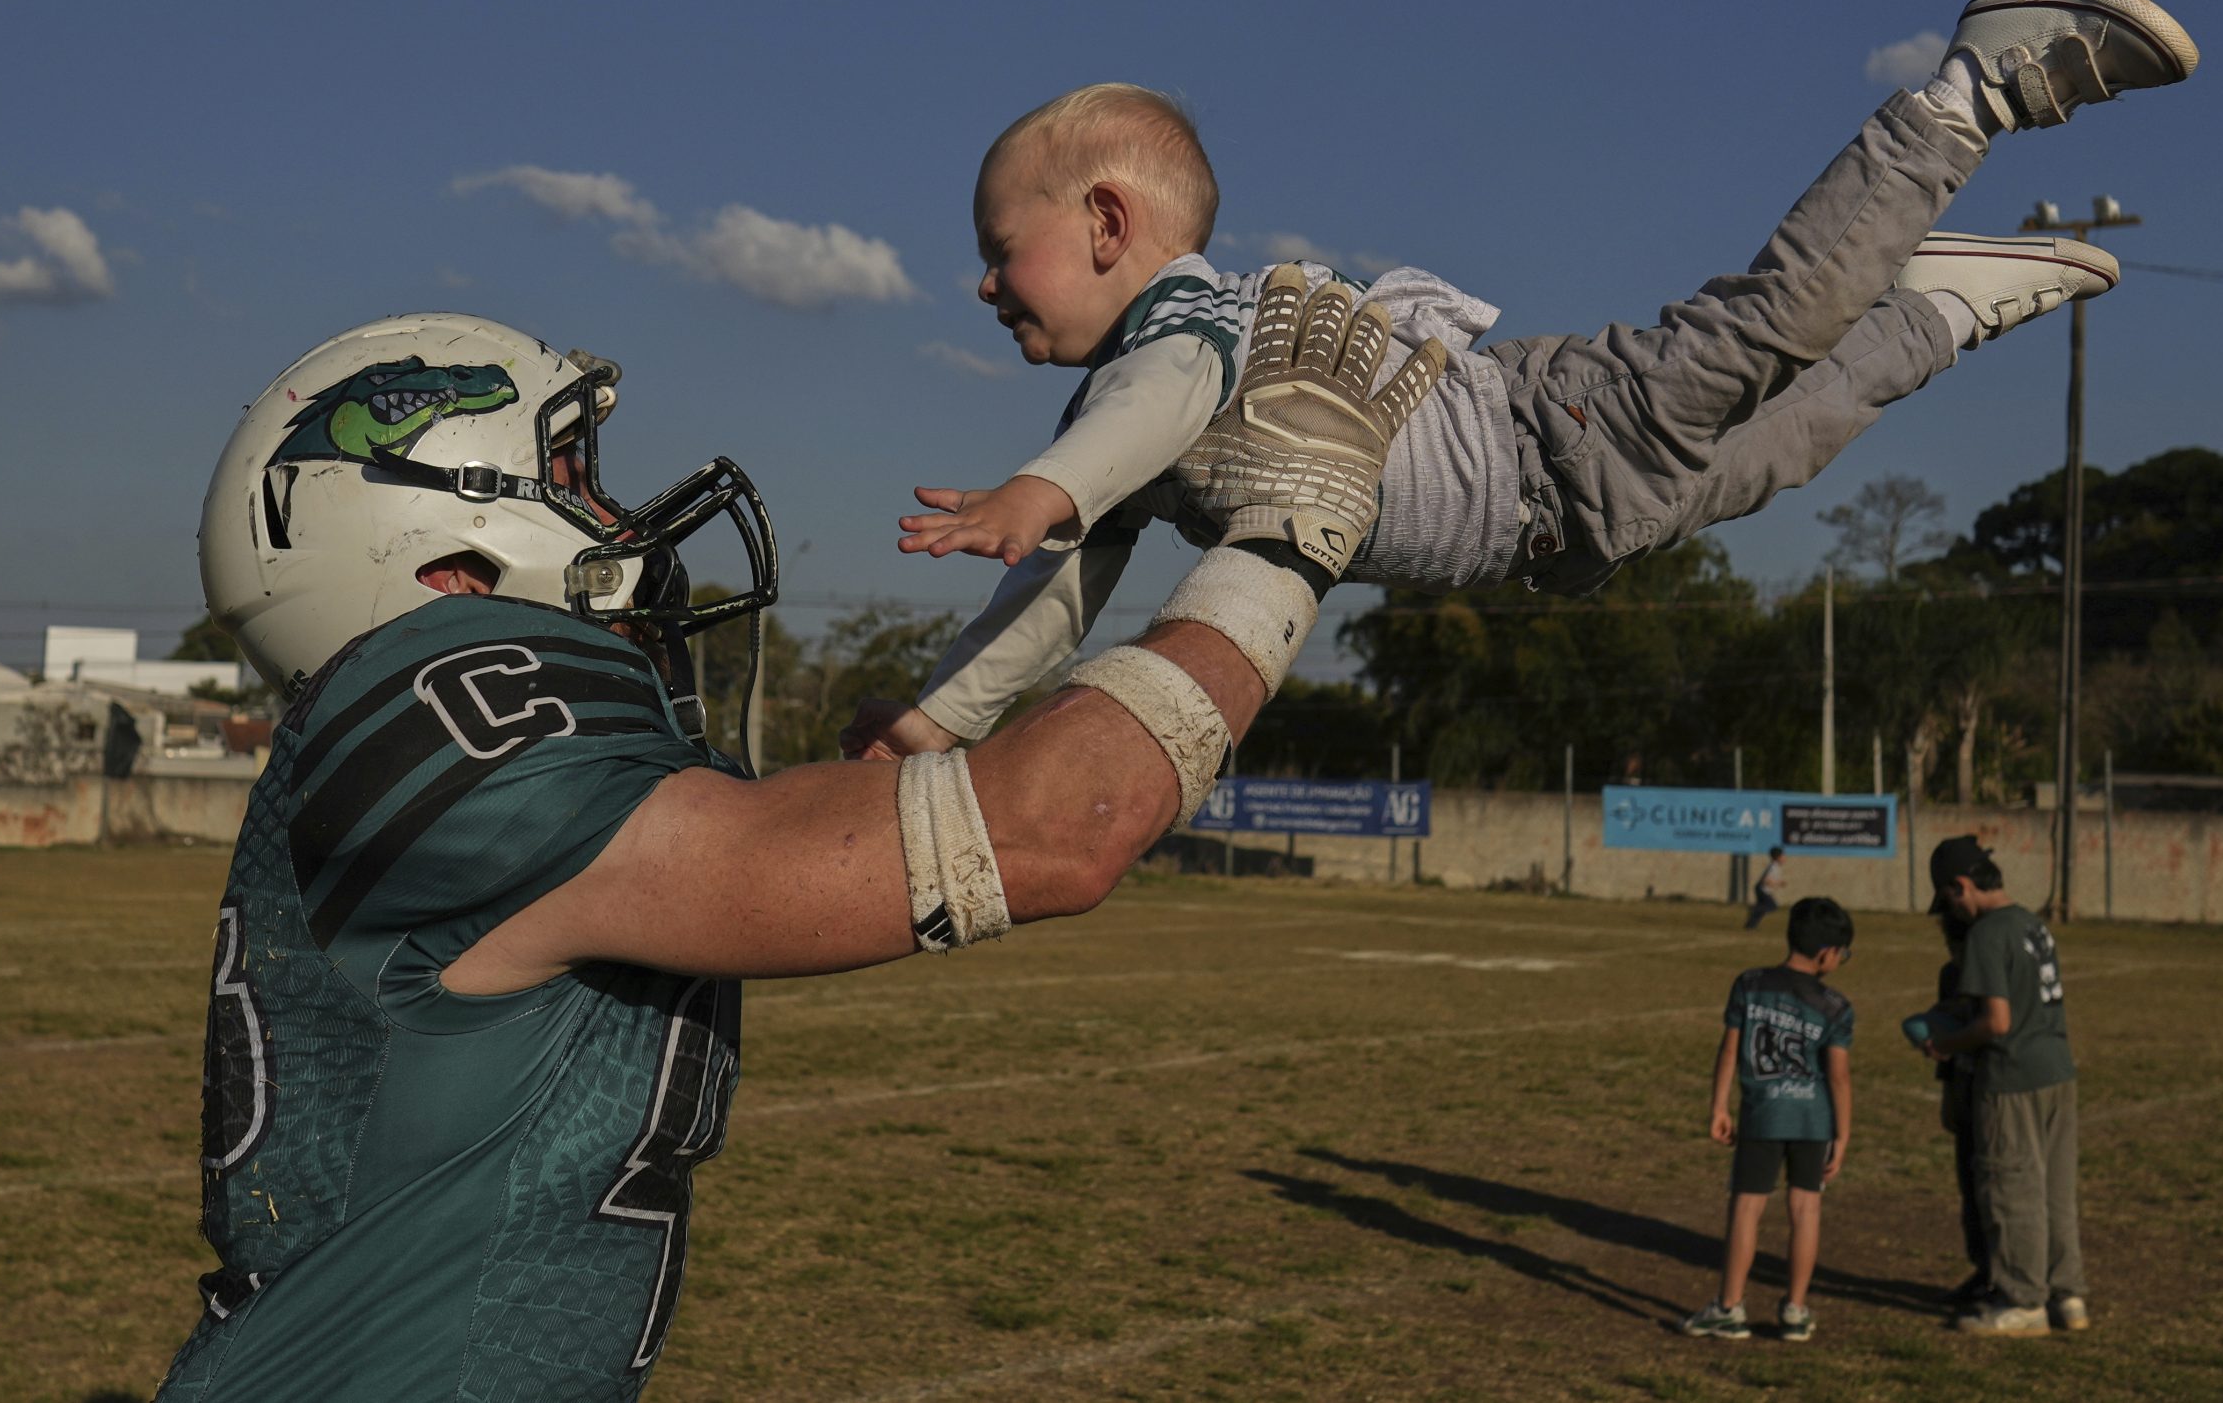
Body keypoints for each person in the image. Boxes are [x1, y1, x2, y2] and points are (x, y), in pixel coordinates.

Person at [157, 279, 1439, 1400]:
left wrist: (930, 731)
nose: (618, 516)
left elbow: (805, 847)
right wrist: (1286, 537)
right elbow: (1056, 830)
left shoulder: (413, 751)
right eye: (570, 479)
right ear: (445, 567)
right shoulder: (424, 708)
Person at [841, 0, 2200, 759]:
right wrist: (939, 718)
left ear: (1106, 224)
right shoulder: (1117, 429)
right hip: (1575, 529)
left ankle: (1975, 85)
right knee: (1804, 435)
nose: (984, 285)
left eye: (998, 250)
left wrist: (1041, 486)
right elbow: (1054, 595)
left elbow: (1159, 404)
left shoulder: (1178, 327)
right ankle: (1942, 307)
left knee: (1778, 324)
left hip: (1556, 432)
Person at [1921, 835, 2087, 1337]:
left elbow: (1996, 1021)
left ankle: (2022, 1300)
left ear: (1961, 885)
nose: (1952, 909)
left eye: (1948, 897)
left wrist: (1946, 1043)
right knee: (2055, 1190)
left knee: (2012, 1186)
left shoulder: (1987, 933)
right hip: (2056, 1069)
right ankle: (2067, 1295)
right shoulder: (2033, 923)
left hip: (2012, 1077)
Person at [1681, 896, 1856, 1343]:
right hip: (1812, 1119)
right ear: (1827, 953)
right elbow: (1838, 1076)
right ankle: (1795, 1310)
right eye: (1843, 953)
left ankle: (1729, 1307)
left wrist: (1719, 1106)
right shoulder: (1836, 1006)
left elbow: (1730, 1049)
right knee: (1806, 1209)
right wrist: (1842, 1133)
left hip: (1763, 1114)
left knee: (1747, 1206)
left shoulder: (1751, 983)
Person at [1931, 907, 1992, 1309]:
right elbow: (1944, 1037)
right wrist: (1947, 1090)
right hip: (1963, 1086)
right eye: (1950, 947)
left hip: (1995, 1090)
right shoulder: (1950, 976)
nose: (1956, 956)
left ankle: (2003, 1271)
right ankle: (1982, 1268)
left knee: (1994, 1185)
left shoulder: (1993, 974)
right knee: (1968, 1184)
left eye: (1962, 948)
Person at [1745, 845, 1787, 931]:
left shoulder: (1774, 866)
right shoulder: (1773, 867)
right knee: (1772, 906)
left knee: (1762, 909)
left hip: (1760, 889)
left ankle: (1750, 926)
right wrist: (1778, 883)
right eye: (1783, 856)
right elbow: (1765, 880)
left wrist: (1778, 882)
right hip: (1762, 890)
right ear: (1778, 857)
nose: (1784, 858)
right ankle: (1753, 908)